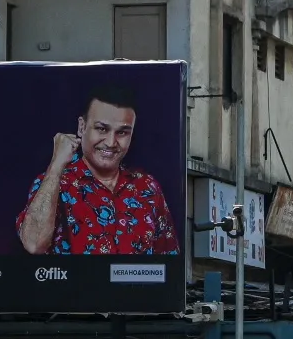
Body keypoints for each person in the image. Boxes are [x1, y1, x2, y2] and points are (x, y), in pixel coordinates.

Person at [15, 85, 179, 256]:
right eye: (102, 129)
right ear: (81, 127)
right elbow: (33, 245)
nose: (110, 142)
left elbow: (170, 261)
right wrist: (56, 166)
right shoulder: (56, 183)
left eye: (122, 132)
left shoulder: (147, 187)